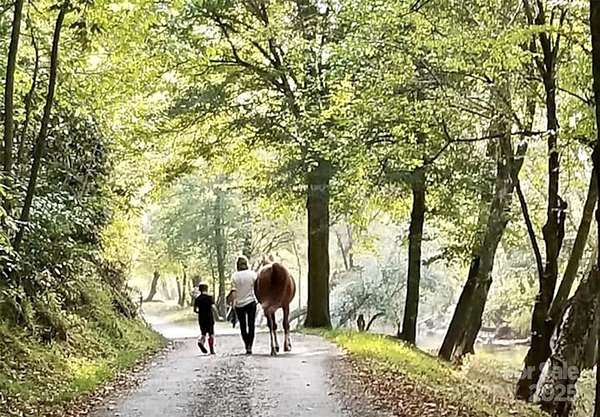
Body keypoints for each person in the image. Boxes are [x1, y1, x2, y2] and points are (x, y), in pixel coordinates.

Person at [230, 256, 257, 354]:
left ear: (237, 265)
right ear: (246, 264)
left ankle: (246, 344)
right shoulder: (252, 274)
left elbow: (233, 291)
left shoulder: (234, 276)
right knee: (251, 324)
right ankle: (250, 345)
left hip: (239, 304)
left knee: (243, 325)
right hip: (251, 302)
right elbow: (257, 288)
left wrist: (233, 303)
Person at [193, 282, 218, 355]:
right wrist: (218, 316)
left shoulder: (197, 299)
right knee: (211, 334)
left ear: (199, 290)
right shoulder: (209, 297)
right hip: (209, 317)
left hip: (201, 318)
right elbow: (213, 307)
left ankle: (201, 342)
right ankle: (211, 349)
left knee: (203, 333)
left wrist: (200, 312)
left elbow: (195, 310)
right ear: (207, 289)